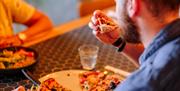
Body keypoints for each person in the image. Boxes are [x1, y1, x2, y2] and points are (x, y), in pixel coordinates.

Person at [89, 0, 180, 90]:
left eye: (116, 2)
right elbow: (156, 58)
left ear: (132, 4)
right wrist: (118, 41)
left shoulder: (138, 86)